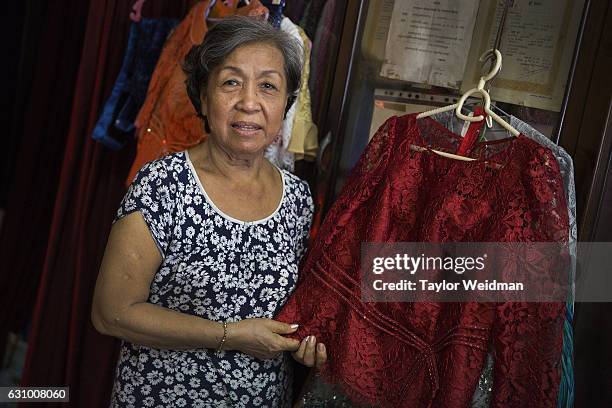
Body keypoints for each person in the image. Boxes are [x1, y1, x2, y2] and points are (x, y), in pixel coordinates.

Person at [92, 16, 326, 408]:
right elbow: (111, 312)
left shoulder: (299, 200)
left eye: (268, 86)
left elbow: (297, 313)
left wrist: (309, 343)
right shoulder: (164, 185)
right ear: (203, 96)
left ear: (285, 105)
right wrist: (231, 334)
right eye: (231, 82)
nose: (249, 102)